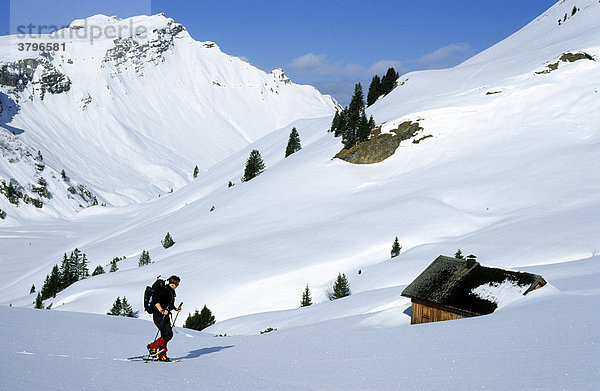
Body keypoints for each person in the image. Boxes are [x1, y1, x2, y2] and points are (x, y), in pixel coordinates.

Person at [147, 275, 181, 361]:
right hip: (158, 315)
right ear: (172, 283)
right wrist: (162, 311)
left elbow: (169, 304)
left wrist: (176, 309)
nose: (176, 286)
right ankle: (152, 346)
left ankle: (162, 355)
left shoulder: (171, 292)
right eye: (175, 284)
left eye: (177, 284)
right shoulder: (164, 290)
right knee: (168, 334)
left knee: (165, 334)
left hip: (165, 315)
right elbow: (156, 301)